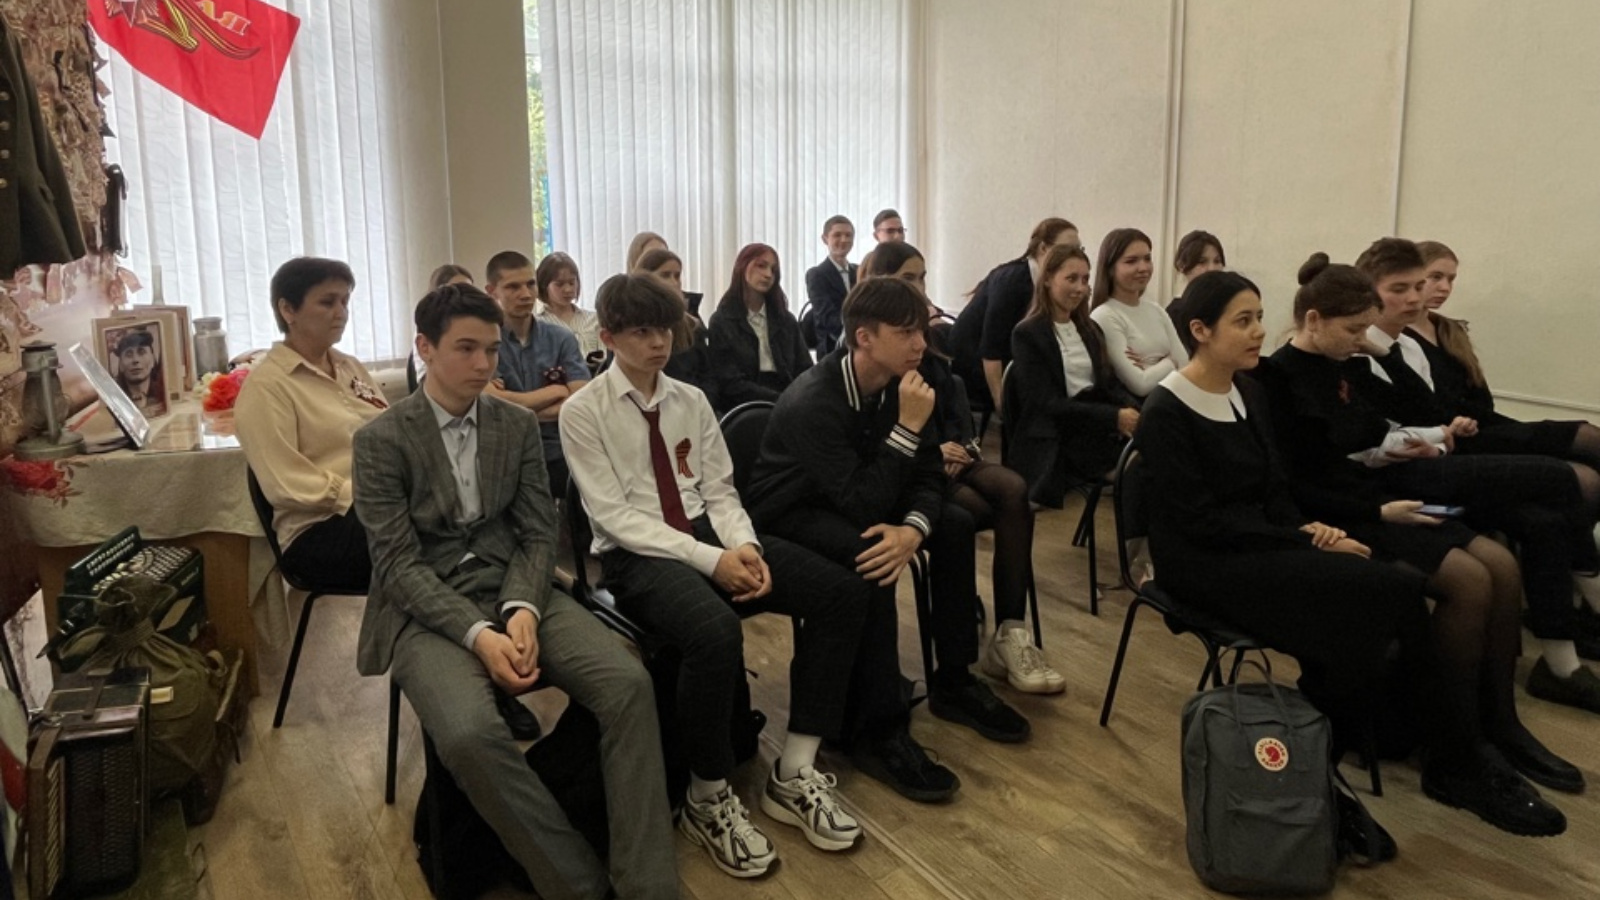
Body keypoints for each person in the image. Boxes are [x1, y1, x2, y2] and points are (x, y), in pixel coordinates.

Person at [1141, 269, 1564, 850]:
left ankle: (1386, 758)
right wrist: (1306, 537)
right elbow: (1199, 523)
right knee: (1383, 593)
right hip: (1204, 563)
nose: (1259, 331)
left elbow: (1274, 489)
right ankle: (1434, 760)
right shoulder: (1167, 409)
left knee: (1377, 597)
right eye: (1243, 321)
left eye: (1259, 316)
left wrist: (1309, 528)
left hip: (1260, 540)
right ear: (1200, 331)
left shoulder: (1245, 391)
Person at [353, 284, 678, 899]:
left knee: (629, 685)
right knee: (470, 734)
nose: (484, 364)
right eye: (466, 349)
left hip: (516, 584)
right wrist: (480, 635)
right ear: (424, 347)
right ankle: (577, 885)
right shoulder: (380, 441)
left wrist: (523, 607)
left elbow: (537, 532)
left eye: (492, 349)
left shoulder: (515, 423)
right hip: (428, 608)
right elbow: (397, 565)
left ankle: (649, 886)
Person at [563, 274, 875, 877]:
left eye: (666, 329)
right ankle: (705, 796)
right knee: (713, 631)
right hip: (637, 553)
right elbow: (614, 517)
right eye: (642, 332)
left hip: (709, 531)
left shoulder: (691, 400)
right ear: (608, 338)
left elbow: (720, 492)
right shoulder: (584, 411)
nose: (660, 342)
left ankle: (794, 769)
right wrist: (714, 561)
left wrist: (746, 547)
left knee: (841, 593)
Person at [1258, 256, 1582, 828]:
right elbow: (1295, 482)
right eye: (1353, 329)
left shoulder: (1345, 363)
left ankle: (1500, 723)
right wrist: (1376, 507)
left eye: (1366, 329)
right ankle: (1455, 753)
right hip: (1342, 514)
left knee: (1502, 565)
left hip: (1376, 496)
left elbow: (1407, 416)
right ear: (1313, 319)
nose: (1361, 339)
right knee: (1470, 581)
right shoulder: (1277, 378)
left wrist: (1382, 364)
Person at [748, 278, 1030, 794]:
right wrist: (906, 431)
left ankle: (954, 680)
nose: (921, 343)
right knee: (873, 553)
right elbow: (863, 503)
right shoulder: (815, 399)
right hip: (790, 511)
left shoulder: (906, 382)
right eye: (906, 333)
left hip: (857, 492)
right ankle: (878, 729)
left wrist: (913, 528)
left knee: (954, 524)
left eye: (920, 330)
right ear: (864, 337)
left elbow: (927, 475)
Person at [1344, 237, 1600, 712]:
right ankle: (1592, 605)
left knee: (1545, 518)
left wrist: (1440, 434)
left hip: (1439, 460)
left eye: (1422, 285)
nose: (1418, 297)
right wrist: (1433, 436)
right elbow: (1367, 438)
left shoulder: (1406, 347)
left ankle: (1560, 665)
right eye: (1403, 288)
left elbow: (1430, 414)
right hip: (1401, 477)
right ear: (1368, 293)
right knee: (1567, 477)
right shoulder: (1353, 352)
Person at [859, 243, 1061, 694]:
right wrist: (937, 451)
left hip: (945, 455)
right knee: (967, 515)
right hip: (914, 465)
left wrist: (964, 446)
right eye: (908, 279)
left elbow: (951, 399)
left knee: (1013, 489)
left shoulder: (923, 338)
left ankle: (1011, 632)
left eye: (922, 278)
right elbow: (882, 434)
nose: (919, 288)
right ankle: (971, 643)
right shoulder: (874, 344)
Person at [236, 257, 387, 592]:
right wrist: (368, 494)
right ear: (288, 310)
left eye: (345, 301)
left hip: (373, 508)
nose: (341, 312)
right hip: (318, 531)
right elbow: (286, 483)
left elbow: (391, 434)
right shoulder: (267, 387)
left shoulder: (350, 367)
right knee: (435, 538)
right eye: (327, 302)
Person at [1008, 244, 1139, 508]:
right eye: (1071, 279)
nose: (1080, 288)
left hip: (1093, 421)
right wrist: (1113, 417)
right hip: (1059, 431)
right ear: (1047, 279)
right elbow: (1045, 403)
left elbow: (1108, 383)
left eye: (1085, 279)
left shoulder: (1089, 329)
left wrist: (1135, 409)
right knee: (1143, 468)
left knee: (1159, 447)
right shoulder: (1028, 333)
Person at [481, 250, 590, 498]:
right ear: (492, 291)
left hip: (558, 450)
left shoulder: (561, 338)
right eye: (513, 287)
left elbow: (580, 401)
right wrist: (556, 391)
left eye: (530, 284)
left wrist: (513, 406)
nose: (526, 294)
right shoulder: (485, 343)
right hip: (504, 453)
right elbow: (488, 405)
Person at [948, 217, 1078, 410]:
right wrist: (1001, 402)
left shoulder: (1050, 283)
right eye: (1067, 250)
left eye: (1078, 250)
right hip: (974, 369)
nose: (1074, 257)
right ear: (1043, 248)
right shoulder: (1012, 282)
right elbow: (991, 348)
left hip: (1008, 365)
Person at [707, 243, 812, 407]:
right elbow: (729, 382)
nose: (768, 275)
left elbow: (805, 370)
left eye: (773, 270)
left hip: (790, 400)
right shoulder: (722, 321)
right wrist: (780, 400)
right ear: (742, 267)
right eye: (761, 266)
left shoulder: (786, 320)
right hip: (744, 405)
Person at [1090, 227, 1189, 400]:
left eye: (1147, 259)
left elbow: (1185, 365)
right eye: (1131, 261)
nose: (1143, 268)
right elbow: (1140, 384)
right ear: (1111, 268)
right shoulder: (1105, 315)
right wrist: (1169, 362)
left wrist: (1152, 366)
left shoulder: (1156, 310)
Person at [634, 248, 720, 410]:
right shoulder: (631, 325)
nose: (674, 282)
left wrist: (699, 405)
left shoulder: (692, 325)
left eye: (677, 276)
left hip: (695, 405)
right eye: (665, 275)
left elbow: (708, 376)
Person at [412, 264, 475, 385]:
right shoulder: (426, 326)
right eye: (457, 290)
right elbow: (425, 378)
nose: (464, 296)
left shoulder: (478, 325)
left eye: (469, 290)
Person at [804, 215, 857, 354]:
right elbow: (825, 315)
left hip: (861, 346)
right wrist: (854, 334)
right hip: (832, 349)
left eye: (848, 235)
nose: (844, 240)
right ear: (825, 239)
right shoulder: (816, 274)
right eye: (837, 235)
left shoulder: (859, 271)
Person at [536, 252, 602, 362]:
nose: (568, 289)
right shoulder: (538, 324)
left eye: (572, 283)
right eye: (559, 284)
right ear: (544, 285)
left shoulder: (594, 319)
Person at [1166, 230, 1225, 333]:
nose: (1212, 268)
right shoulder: (1175, 314)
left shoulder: (1229, 307)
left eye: (1217, 261)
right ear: (1182, 266)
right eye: (1202, 262)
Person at [112, 327, 167, 418]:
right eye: (128, 354)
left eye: (141, 352)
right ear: (120, 365)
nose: (135, 360)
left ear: (152, 360)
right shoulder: (115, 400)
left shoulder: (163, 395)